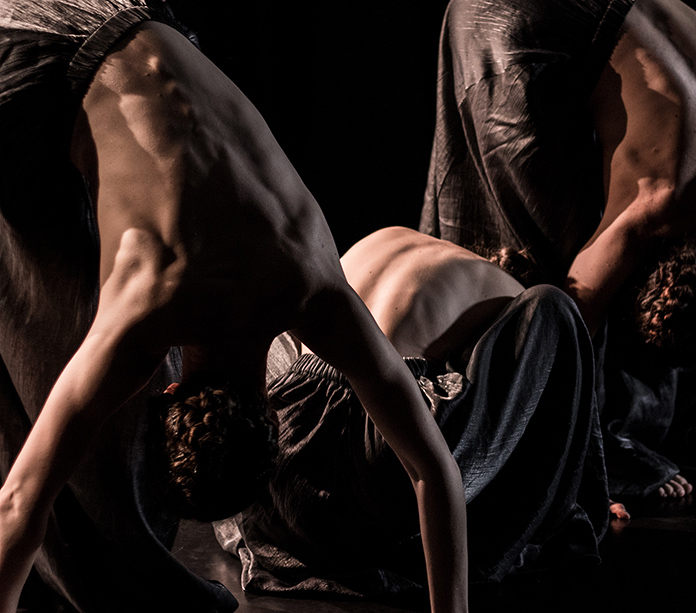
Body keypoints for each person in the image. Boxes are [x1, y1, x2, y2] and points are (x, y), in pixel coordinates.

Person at [0, 3, 466, 612]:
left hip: (134, 16)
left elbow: (434, 471)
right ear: (163, 393)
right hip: (32, 66)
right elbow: (19, 502)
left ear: (270, 406)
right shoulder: (141, 313)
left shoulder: (316, 289)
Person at [421, 0, 696, 521]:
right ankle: (482, 462)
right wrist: (585, 481)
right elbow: (565, 336)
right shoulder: (649, 213)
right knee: (526, 275)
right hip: (514, 18)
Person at [215, 226, 611, 597]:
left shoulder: (390, 237)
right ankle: (574, 502)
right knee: (554, 307)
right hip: (382, 455)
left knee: (297, 318)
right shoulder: (506, 293)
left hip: (277, 455)